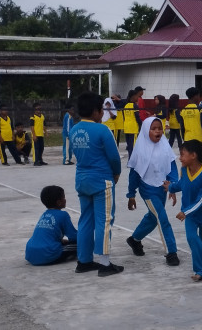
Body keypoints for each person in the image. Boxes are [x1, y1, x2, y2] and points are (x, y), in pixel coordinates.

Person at [69, 92, 124, 277]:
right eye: (101, 110)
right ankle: (105, 264)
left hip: (82, 179)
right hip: (101, 180)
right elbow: (114, 157)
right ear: (95, 111)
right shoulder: (102, 130)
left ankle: (84, 261)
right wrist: (116, 173)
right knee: (104, 221)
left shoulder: (74, 130)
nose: (102, 113)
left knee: (85, 220)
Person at [124, 117, 181, 267]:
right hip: (147, 189)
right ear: (145, 130)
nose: (158, 131)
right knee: (162, 218)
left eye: (160, 128)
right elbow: (134, 174)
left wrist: (173, 186)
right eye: (154, 128)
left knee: (153, 217)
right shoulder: (139, 150)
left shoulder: (165, 146)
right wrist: (131, 194)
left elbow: (172, 168)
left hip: (162, 188)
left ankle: (134, 240)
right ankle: (171, 252)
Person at [169, 140, 202, 281]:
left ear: (193, 155)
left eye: (182, 154)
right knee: (192, 239)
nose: (180, 158)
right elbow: (182, 184)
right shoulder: (184, 170)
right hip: (190, 215)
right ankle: (200, 271)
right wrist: (171, 187)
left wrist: (186, 212)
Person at [24, 185, 78, 266]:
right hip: (47, 253)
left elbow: (47, 233)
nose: (65, 199)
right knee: (82, 244)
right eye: (64, 197)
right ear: (59, 202)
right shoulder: (63, 215)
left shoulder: (44, 214)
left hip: (30, 253)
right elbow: (73, 236)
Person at [180, 87, 202, 154]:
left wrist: (184, 138)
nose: (199, 98)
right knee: (201, 159)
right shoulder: (200, 109)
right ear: (195, 96)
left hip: (187, 139)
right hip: (199, 139)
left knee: (190, 159)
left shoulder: (183, 111)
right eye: (199, 96)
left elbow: (182, 127)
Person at [122, 90, 141, 158]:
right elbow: (137, 117)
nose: (138, 98)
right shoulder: (135, 105)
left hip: (126, 128)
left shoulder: (126, 105)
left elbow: (124, 117)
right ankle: (132, 160)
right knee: (133, 146)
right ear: (133, 96)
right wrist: (141, 124)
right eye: (137, 96)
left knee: (130, 146)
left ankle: (130, 160)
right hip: (133, 128)